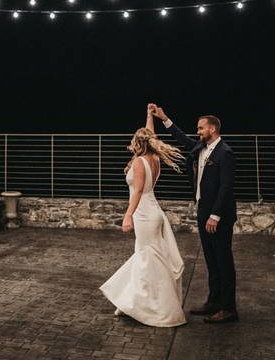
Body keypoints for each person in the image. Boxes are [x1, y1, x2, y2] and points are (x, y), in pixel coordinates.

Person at [99, 106, 187, 327]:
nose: (132, 144)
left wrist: (127, 216)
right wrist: (150, 117)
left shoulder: (139, 162)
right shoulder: (154, 158)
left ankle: (155, 307)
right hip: (152, 210)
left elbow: (137, 191)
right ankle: (136, 301)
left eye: (134, 141)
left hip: (144, 213)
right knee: (149, 256)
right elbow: (150, 135)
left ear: (139, 143)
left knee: (147, 258)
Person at [150, 103, 238, 324]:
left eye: (201, 128)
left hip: (218, 216)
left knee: (223, 260)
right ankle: (214, 301)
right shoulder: (200, 148)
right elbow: (183, 139)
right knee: (210, 258)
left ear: (213, 129)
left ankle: (229, 308)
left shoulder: (225, 152)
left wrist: (215, 215)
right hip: (203, 211)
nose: (198, 132)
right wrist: (164, 118)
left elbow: (226, 187)